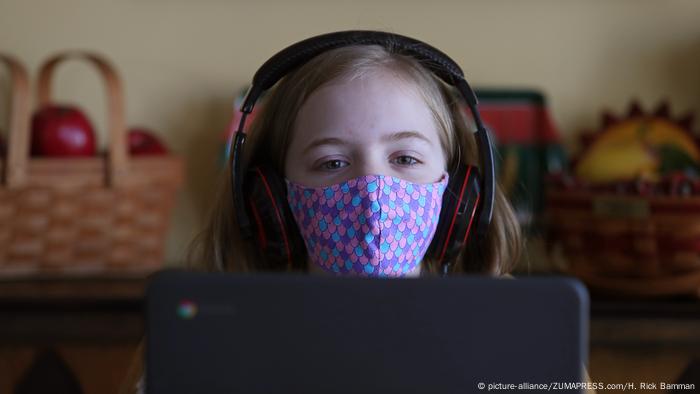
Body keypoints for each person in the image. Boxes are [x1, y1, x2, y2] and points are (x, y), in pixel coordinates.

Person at [120, 31, 588, 393]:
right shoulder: (201, 339)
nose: (373, 193)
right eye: (332, 162)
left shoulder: (520, 334)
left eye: (405, 159)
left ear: (459, 192)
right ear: (271, 198)